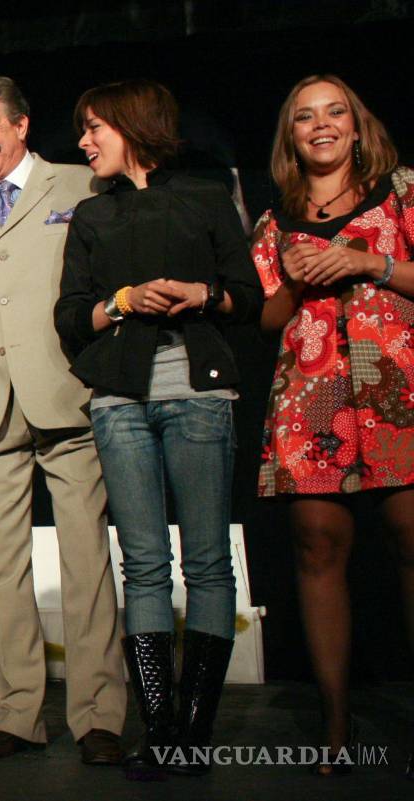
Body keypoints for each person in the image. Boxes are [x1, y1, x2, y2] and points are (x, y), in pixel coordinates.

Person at [54, 79, 262, 778]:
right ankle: (161, 730)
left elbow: (249, 298)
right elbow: (69, 318)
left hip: (199, 394)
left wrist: (203, 293)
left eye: (93, 128)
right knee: (142, 565)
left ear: (132, 124)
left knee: (205, 561)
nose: (84, 142)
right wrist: (121, 301)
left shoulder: (206, 196)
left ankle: (196, 731)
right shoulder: (90, 216)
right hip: (120, 399)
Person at [0, 76, 127, 765]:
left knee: (87, 558)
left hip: (67, 393)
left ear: (21, 126)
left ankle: (101, 712)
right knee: (1, 565)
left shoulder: (81, 186)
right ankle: (14, 714)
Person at [251, 74, 414, 777]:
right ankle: (336, 725)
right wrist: (292, 280)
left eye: (334, 112)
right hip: (309, 399)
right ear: (291, 136)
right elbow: (266, 320)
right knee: (317, 545)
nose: (320, 125)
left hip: (397, 389)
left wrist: (365, 260)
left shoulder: (404, 191)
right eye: (304, 117)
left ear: (356, 125)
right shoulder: (272, 221)